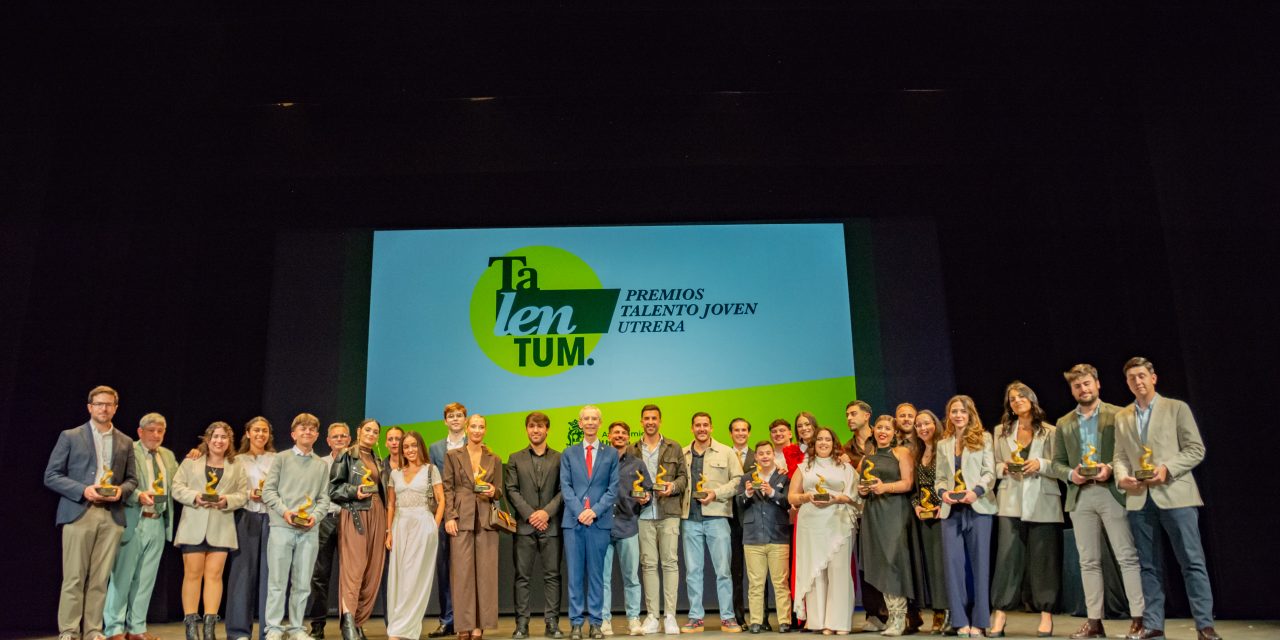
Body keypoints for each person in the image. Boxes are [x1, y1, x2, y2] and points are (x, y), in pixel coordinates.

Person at [1112, 357, 1220, 640]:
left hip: (1176, 496)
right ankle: (1153, 625)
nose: (1137, 381)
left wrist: (1167, 469)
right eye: (1132, 378)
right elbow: (1120, 456)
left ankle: (1205, 626)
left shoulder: (1176, 408)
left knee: (1192, 562)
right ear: (1127, 383)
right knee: (1148, 566)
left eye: (1142, 376)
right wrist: (1121, 477)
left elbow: (1195, 449)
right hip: (1139, 498)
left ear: (1153, 378)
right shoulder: (1122, 417)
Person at [1045, 364, 1145, 640]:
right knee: (1088, 561)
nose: (1083, 389)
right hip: (1081, 496)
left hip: (1111, 491)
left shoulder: (1118, 414)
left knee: (1127, 556)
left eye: (1087, 383)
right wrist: (1071, 474)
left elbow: (1131, 452)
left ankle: (1139, 619)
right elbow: (1057, 463)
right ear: (1072, 390)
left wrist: (1110, 468)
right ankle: (1094, 623)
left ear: (1097, 384)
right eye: (1077, 386)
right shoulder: (1064, 423)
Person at [44, 386, 139, 640]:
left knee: (100, 578)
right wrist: (83, 490)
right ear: (90, 407)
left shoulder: (125, 441)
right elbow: (51, 475)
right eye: (99, 404)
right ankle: (69, 631)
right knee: (74, 577)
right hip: (80, 513)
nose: (103, 408)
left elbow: (132, 479)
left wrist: (121, 491)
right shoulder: (71, 436)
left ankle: (93, 630)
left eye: (108, 404)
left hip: (111, 515)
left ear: (115, 408)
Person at [989, 383, 1062, 638]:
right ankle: (1000, 613)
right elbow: (993, 465)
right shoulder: (1000, 431)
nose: (1017, 401)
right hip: (1010, 501)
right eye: (1012, 399)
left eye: (1021, 396)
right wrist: (1004, 468)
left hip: (1044, 500)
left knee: (1044, 560)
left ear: (1032, 399)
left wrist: (1040, 464)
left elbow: (1061, 466)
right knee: (1007, 559)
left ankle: (1046, 614)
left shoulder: (1050, 431)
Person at [103, 412, 179, 640]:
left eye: (160, 431)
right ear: (140, 432)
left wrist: (197, 456)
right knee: (122, 577)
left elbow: (179, 481)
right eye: (151, 431)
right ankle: (114, 629)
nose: (156, 435)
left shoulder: (167, 455)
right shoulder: (128, 450)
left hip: (158, 522)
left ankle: (136, 628)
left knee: (145, 580)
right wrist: (138, 495)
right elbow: (117, 481)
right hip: (134, 519)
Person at [173, 421, 249, 640]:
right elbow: (176, 487)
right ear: (207, 439)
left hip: (221, 526)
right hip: (193, 525)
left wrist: (227, 500)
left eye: (224, 437)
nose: (219, 441)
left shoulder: (236, 465)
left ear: (229, 441)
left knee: (215, 576)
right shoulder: (191, 461)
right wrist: (195, 497)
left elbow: (243, 494)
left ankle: (209, 628)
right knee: (192, 575)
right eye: (215, 436)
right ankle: (191, 628)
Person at [261, 413, 332, 640]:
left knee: (302, 584)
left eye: (312, 429)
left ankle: (296, 628)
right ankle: (273, 627)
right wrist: (285, 512)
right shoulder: (281, 459)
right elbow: (268, 491)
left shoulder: (321, 465)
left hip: (308, 530)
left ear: (317, 435)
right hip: (281, 528)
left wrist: (315, 517)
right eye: (303, 428)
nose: (307, 432)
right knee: (277, 582)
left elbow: (324, 499)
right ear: (293, 434)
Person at [935, 396, 996, 639]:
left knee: (980, 566)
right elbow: (940, 478)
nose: (958, 415)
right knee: (953, 567)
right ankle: (960, 621)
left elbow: (989, 473)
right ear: (949, 415)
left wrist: (976, 492)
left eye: (962, 411)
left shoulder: (984, 438)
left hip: (978, 507)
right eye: (954, 411)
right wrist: (943, 493)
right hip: (951, 510)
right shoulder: (943, 444)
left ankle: (980, 622)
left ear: (970, 413)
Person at [789, 426, 858, 634]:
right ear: (813, 443)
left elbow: (854, 496)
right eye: (819, 439)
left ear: (834, 443)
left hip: (838, 522)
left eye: (828, 439)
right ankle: (819, 622)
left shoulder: (845, 467)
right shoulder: (804, 467)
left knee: (839, 571)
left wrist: (837, 498)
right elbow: (792, 496)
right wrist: (806, 497)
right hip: (810, 524)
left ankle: (839, 623)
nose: (823, 443)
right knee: (816, 572)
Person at [680, 412, 744, 633]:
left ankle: (727, 617)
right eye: (697, 425)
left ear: (711, 427)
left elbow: (738, 481)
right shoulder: (683, 453)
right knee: (693, 571)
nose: (702, 429)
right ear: (692, 428)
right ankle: (695, 617)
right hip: (690, 519)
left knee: (723, 570)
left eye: (705, 425)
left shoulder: (726, 452)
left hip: (717, 517)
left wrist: (716, 493)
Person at [561, 406, 620, 640]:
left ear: (600, 423)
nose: (590, 422)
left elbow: (613, 489)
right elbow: (565, 487)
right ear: (580, 423)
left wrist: (593, 511)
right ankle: (576, 623)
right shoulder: (569, 453)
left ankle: (596, 623)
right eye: (586, 418)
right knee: (575, 576)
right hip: (573, 523)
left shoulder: (611, 453)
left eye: (594, 419)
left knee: (597, 576)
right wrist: (580, 512)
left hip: (599, 523)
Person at [629, 404, 688, 636]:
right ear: (641, 422)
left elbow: (684, 478)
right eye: (646, 418)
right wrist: (636, 495)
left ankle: (670, 616)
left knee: (670, 563)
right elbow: (626, 481)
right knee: (648, 565)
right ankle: (652, 616)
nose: (650, 422)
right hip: (643, 514)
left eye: (654, 418)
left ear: (660, 421)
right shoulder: (633, 449)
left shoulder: (674, 447)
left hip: (669, 512)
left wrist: (672, 487)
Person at [443, 414, 503, 640]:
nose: (477, 430)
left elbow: (499, 490)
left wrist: (493, 491)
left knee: (486, 575)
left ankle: (479, 626)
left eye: (481, 427)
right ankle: (463, 625)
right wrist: (450, 516)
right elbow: (448, 488)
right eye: (474, 426)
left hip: (486, 519)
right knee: (462, 574)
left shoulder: (494, 458)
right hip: (461, 518)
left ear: (485, 430)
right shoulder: (452, 456)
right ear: (467, 428)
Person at [329, 418, 390, 640]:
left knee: (372, 572)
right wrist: (355, 491)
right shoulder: (346, 455)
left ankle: (358, 622)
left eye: (375, 432)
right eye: (368, 430)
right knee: (353, 571)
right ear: (359, 431)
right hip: (356, 513)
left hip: (378, 514)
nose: (371, 434)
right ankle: (347, 622)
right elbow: (333, 490)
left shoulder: (378, 459)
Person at [506, 412, 564, 640]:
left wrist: (545, 513)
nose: (536, 430)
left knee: (553, 577)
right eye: (532, 426)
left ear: (547, 429)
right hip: (524, 527)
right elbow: (511, 490)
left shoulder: (560, 458)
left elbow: (563, 490)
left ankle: (552, 624)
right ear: (526, 429)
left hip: (551, 526)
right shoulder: (514, 458)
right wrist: (531, 515)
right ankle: (522, 625)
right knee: (522, 577)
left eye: (540, 426)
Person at [857, 417, 915, 637]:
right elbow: (860, 487)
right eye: (879, 427)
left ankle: (900, 617)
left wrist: (885, 487)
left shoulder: (901, 453)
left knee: (893, 562)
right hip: (873, 513)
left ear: (895, 432)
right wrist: (862, 490)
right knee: (879, 562)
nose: (883, 431)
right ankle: (891, 616)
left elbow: (908, 483)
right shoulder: (867, 457)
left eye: (887, 428)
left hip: (894, 512)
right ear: (874, 431)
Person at [385, 430, 446, 640]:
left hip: (422, 525)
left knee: (414, 578)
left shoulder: (431, 470)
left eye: (413, 445)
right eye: (406, 447)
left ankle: (404, 628)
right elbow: (391, 504)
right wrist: (389, 531)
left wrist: (434, 525)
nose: (410, 450)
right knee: (399, 577)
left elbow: (441, 499)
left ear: (420, 447)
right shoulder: (395, 473)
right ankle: (398, 625)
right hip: (400, 526)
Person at [227, 417, 278, 640]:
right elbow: (229, 487)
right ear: (248, 433)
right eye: (256, 430)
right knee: (242, 574)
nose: (260, 434)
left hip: (271, 517)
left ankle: (269, 630)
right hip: (245, 515)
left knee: (270, 575)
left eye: (264, 431)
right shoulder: (236, 460)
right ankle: (238, 631)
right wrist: (249, 494)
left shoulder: (277, 459)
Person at [735, 440, 792, 634]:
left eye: (768, 453)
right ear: (756, 457)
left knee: (780, 582)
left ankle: (784, 621)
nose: (765, 456)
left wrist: (772, 492)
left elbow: (788, 502)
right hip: (753, 537)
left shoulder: (784, 476)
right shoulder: (747, 478)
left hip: (778, 535)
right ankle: (756, 621)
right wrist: (747, 493)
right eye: (761, 453)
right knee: (755, 583)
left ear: (773, 455)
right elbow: (739, 503)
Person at [602, 421, 651, 636]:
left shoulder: (637, 464)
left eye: (623, 433)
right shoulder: (600, 461)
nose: (620, 436)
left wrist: (646, 498)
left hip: (628, 526)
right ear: (609, 436)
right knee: (602, 579)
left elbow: (648, 491)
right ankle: (604, 620)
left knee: (631, 577)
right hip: (602, 527)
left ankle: (633, 620)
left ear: (628, 437)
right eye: (616, 432)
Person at [427, 403, 470, 638]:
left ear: (465, 419)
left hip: (469, 514)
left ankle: (466, 619)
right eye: (451, 416)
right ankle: (447, 620)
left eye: (459, 415)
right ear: (445, 421)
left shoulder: (473, 443)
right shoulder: (435, 448)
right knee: (444, 568)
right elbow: (433, 484)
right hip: (444, 514)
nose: (455, 419)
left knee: (466, 570)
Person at [906, 410, 950, 635]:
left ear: (935, 424)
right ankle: (937, 610)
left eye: (926, 423)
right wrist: (916, 505)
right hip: (924, 518)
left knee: (943, 565)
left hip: (944, 514)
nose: (923, 428)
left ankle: (949, 610)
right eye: (919, 425)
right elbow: (915, 489)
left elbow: (952, 481)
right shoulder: (917, 453)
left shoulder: (945, 448)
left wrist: (944, 504)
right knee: (931, 566)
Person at [307, 423, 351, 638]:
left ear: (349, 439)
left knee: (350, 576)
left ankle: (351, 625)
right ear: (328, 441)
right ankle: (317, 625)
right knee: (320, 575)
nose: (339, 439)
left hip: (349, 520)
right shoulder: (319, 464)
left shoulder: (357, 464)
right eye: (335, 436)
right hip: (324, 520)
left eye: (343, 436)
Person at [727, 418, 755, 629]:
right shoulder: (724, 455)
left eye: (744, 430)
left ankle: (760, 617)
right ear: (731, 433)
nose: (740, 433)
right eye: (736, 430)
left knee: (757, 573)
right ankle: (738, 617)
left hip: (754, 519)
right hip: (730, 520)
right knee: (735, 572)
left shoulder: (759, 456)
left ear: (749, 433)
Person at [781, 413, 816, 478]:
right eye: (799, 426)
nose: (804, 428)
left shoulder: (824, 448)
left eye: (807, 424)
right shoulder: (791, 452)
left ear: (814, 426)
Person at [843, 401, 873, 468]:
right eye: (847, 415)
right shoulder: (846, 450)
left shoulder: (882, 438)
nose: (849, 418)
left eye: (853, 414)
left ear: (866, 416)